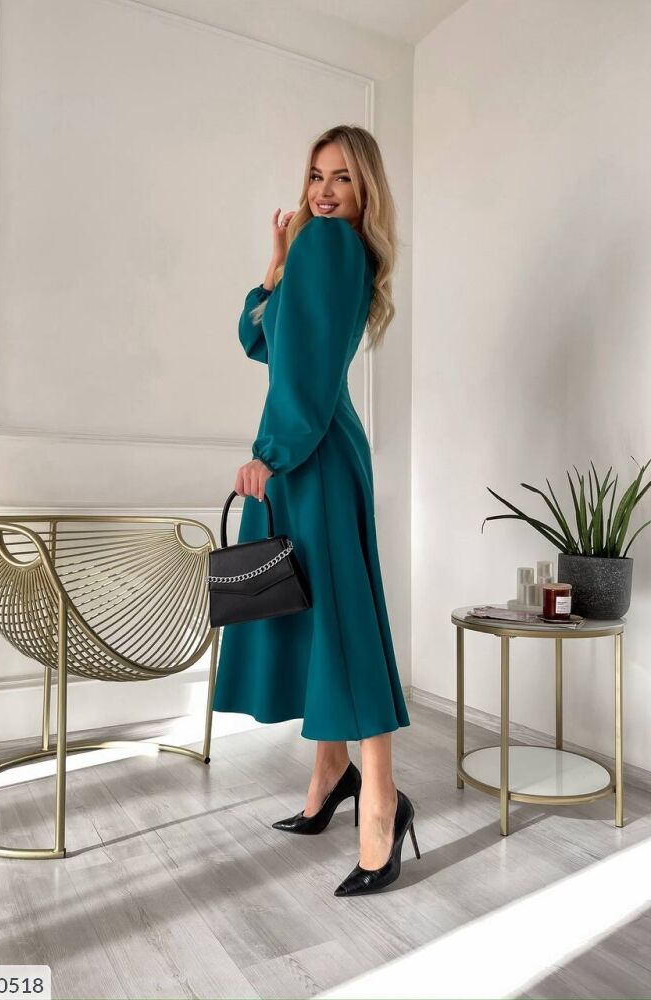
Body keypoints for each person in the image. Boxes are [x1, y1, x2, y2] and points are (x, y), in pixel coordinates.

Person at [211, 126, 420, 896]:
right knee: (323, 617)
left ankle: (381, 803)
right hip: (314, 449)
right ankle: (332, 771)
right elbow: (265, 345)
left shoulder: (330, 246)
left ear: (366, 189)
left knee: (341, 625)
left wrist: (272, 452)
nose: (324, 191)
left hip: (310, 452)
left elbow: (303, 373)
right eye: (314, 176)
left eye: (342, 178)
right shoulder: (317, 249)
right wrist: (272, 271)